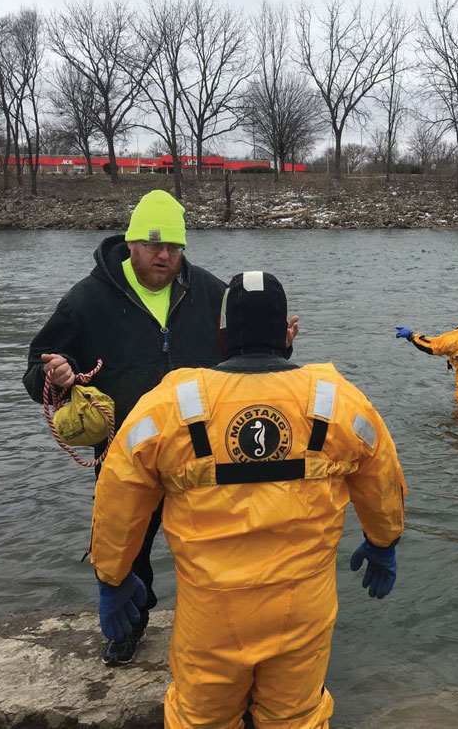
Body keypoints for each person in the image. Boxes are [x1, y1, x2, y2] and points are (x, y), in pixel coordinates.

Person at [90, 271, 406, 729]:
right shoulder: (337, 400)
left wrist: (112, 575)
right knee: (296, 717)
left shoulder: (171, 404)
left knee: (201, 720)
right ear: (285, 334)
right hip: (302, 609)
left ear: (222, 336)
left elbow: (119, 489)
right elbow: (382, 472)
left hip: (210, 613)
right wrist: (383, 541)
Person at [22, 189, 298, 666]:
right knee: (124, 547)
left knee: (221, 549)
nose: (164, 255)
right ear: (131, 243)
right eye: (153, 245)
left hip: (204, 456)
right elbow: (35, 368)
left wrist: (277, 348)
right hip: (126, 454)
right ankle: (130, 627)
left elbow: (245, 360)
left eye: (173, 246)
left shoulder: (212, 293)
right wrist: (56, 375)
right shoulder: (87, 300)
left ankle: (233, 630)